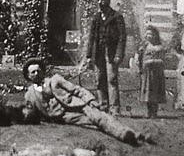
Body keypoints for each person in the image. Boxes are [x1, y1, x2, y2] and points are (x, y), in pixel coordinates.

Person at [21, 57, 154, 146]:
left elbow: (76, 90)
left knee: (99, 117)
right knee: (93, 123)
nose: (36, 74)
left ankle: (127, 134)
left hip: (77, 105)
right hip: (64, 116)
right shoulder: (29, 95)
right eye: (33, 72)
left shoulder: (55, 79)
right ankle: (135, 136)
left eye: (39, 71)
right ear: (28, 76)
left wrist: (90, 100)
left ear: (43, 72)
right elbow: (31, 112)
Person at [85, 0, 126, 116]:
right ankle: (103, 105)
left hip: (111, 53)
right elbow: (91, 37)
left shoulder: (116, 16)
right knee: (99, 79)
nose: (100, 2)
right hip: (98, 53)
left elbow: (122, 37)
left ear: (108, 0)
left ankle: (114, 108)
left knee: (112, 79)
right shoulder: (96, 18)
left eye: (102, 0)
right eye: (98, 0)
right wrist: (88, 56)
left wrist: (119, 54)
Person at [138, 26, 166, 118]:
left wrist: (153, 61)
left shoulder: (159, 47)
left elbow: (162, 61)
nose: (149, 36)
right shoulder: (144, 46)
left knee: (155, 92)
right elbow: (139, 58)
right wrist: (139, 66)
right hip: (146, 73)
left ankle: (154, 112)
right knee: (147, 92)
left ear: (155, 35)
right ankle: (148, 111)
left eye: (151, 34)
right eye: (147, 34)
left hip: (156, 74)